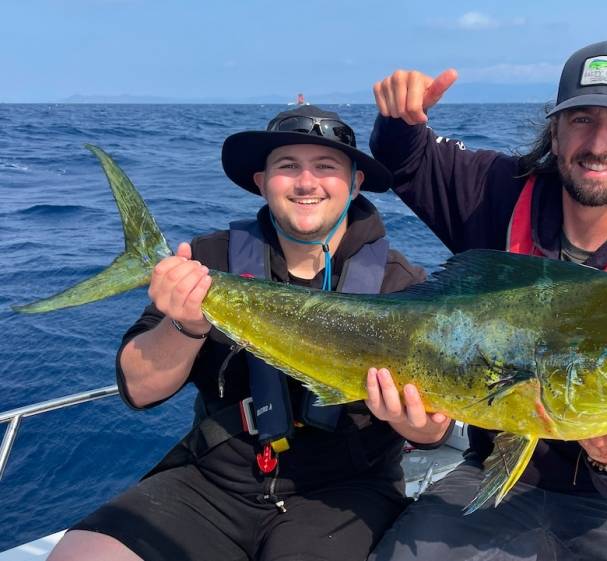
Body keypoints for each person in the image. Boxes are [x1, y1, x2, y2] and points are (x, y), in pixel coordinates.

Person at [47, 105, 452, 561]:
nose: (306, 182)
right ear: (260, 181)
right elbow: (139, 391)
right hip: (215, 481)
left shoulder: (406, 288)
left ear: (356, 182)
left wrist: (415, 424)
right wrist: (185, 325)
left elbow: (435, 437)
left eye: (326, 167)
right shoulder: (207, 259)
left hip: (344, 496)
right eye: (287, 166)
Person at [366, 40, 607, 561]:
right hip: (487, 477)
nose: (598, 143)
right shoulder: (497, 192)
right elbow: (408, 161)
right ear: (554, 130)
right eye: (580, 119)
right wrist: (399, 121)